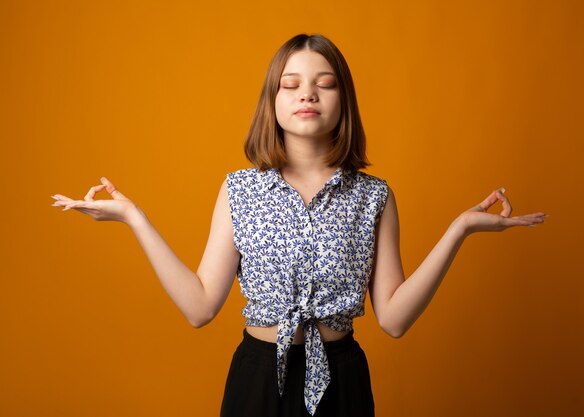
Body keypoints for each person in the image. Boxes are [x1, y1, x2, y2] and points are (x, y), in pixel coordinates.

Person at [50, 33, 548, 417]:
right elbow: (200, 307)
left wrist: (459, 229)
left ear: (343, 101)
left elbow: (393, 320)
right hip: (258, 380)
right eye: (291, 85)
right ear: (273, 100)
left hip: (343, 380)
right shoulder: (239, 190)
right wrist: (135, 219)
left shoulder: (374, 197)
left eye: (325, 83)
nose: (307, 94)